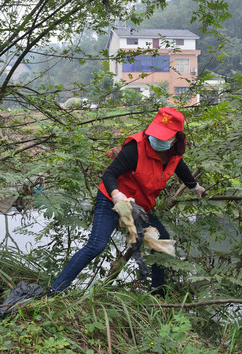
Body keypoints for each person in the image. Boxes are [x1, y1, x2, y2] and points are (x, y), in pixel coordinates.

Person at [49, 107, 205, 295]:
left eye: (164, 137)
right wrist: (116, 194)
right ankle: (55, 291)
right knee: (96, 245)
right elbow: (110, 174)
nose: (156, 139)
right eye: (155, 134)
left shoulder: (175, 152)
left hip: (138, 207)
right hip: (111, 200)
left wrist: (194, 186)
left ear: (176, 138)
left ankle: (158, 293)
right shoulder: (136, 147)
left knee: (161, 242)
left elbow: (179, 166)